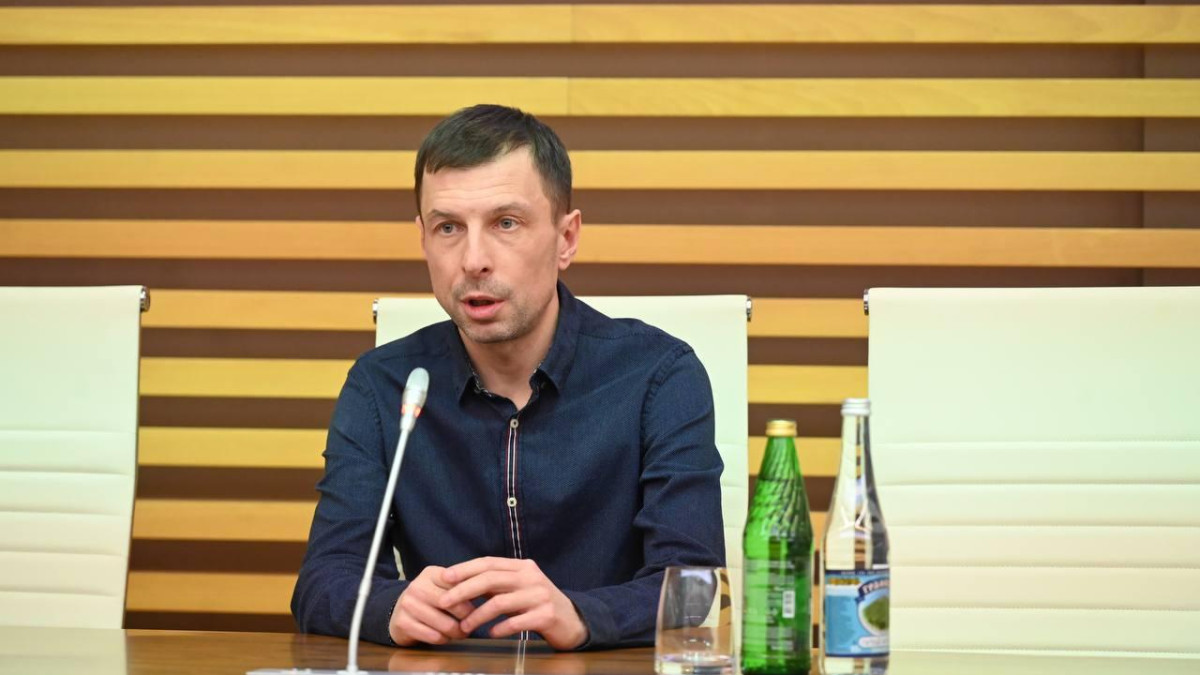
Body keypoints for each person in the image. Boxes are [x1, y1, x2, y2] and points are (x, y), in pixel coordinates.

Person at [291, 104, 725, 650]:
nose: (473, 260)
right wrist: (391, 606)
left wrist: (580, 615)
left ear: (566, 239)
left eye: (506, 223)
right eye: (449, 227)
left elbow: (695, 587)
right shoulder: (383, 386)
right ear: (423, 239)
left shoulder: (660, 376)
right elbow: (323, 581)